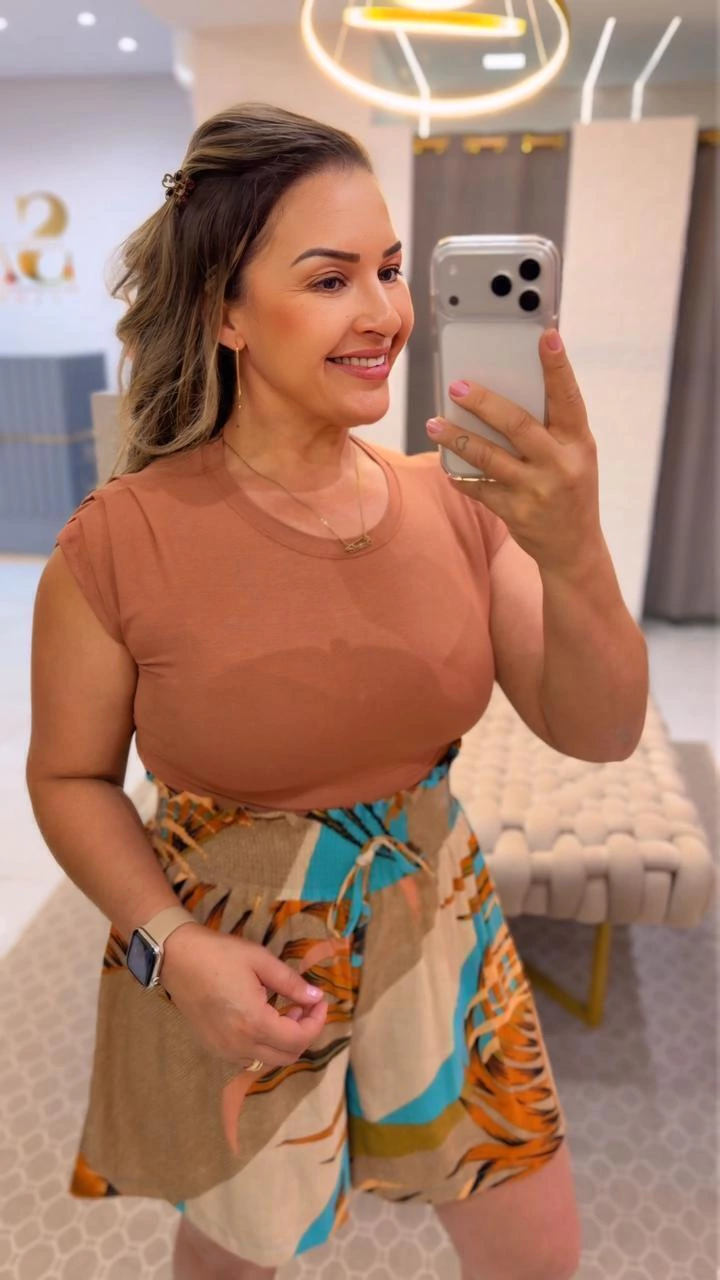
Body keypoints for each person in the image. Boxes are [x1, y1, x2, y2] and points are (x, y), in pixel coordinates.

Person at [25, 102, 595, 1280]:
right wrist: (171, 944)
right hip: (236, 950)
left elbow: (601, 726)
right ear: (224, 312)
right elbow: (68, 775)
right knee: (239, 1254)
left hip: (442, 919)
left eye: (389, 268)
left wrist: (577, 546)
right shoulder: (115, 544)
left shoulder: (457, 500)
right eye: (331, 279)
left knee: (537, 1253)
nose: (384, 311)